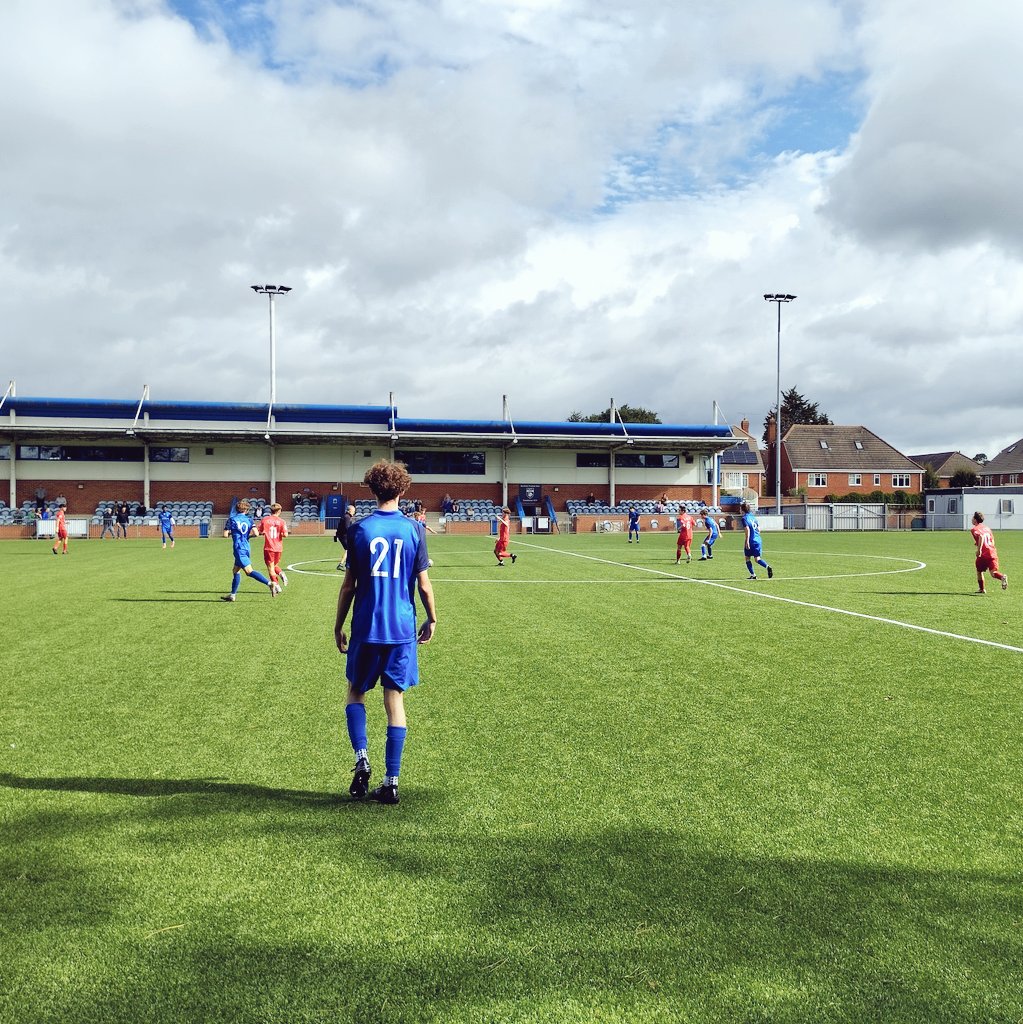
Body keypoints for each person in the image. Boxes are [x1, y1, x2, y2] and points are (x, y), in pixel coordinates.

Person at [334, 460, 437, 806]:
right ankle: (391, 783)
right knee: (395, 701)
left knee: (355, 691)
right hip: (401, 629)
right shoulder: (414, 529)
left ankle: (362, 757)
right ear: (403, 489)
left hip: (366, 626)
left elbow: (349, 586)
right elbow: (424, 585)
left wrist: (338, 625)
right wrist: (432, 618)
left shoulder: (359, 530)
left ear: (372, 489)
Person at [220, 499, 279, 601]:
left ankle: (270, 584)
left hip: (238, 548)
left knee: (249, 571)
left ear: (236, 509)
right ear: (246, 510)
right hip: (246, 547)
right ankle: (232, 595)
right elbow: (256, 534)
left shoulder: (231, 519)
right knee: (235, 570)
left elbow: (225, 535)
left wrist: (233, 533)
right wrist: (247, 536)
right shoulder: (249, 520)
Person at [970, 511, 1008, 595]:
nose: (971, 519)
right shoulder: (987, 528)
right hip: (992, 552)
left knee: (979, 571)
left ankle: (982, 589)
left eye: (973, 518)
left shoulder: (974, 529)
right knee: (993, 573)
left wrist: (979, 550)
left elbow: (981, 537)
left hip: (983, 554)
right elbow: (992, 540)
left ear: (975, 519)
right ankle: (1002, 577)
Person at [740, 501, 773, 580]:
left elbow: (747, 529)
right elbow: (758, 529)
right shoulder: (753, 517)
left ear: (743, 510)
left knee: (747, 558)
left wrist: (747, 541)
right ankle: (767, 567)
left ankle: (753, 575)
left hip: (751, 540)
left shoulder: (744, 518)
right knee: (757, 559)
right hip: (758, 539)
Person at [260, 502, 289, 588]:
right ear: (279, 511)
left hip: (269, 547)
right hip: (278, 548)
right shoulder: (282, 521)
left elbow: (260, 531)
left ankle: (277, 586)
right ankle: (281, 573)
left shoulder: (265, 520)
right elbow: (285, 535)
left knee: (270, 568)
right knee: (274, 565)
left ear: (270, 511)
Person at [335, 503, 356, 571]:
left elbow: (340, 527)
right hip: (344, 536)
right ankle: (341, 564)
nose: (354, 512)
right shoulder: (347, 517)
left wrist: (336, 535)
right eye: (353, 511)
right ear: (349, 510)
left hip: (342, 536)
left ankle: (347, 564)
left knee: (350, 550)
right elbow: (347, 528)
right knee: (349, 550)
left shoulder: (346, 516)